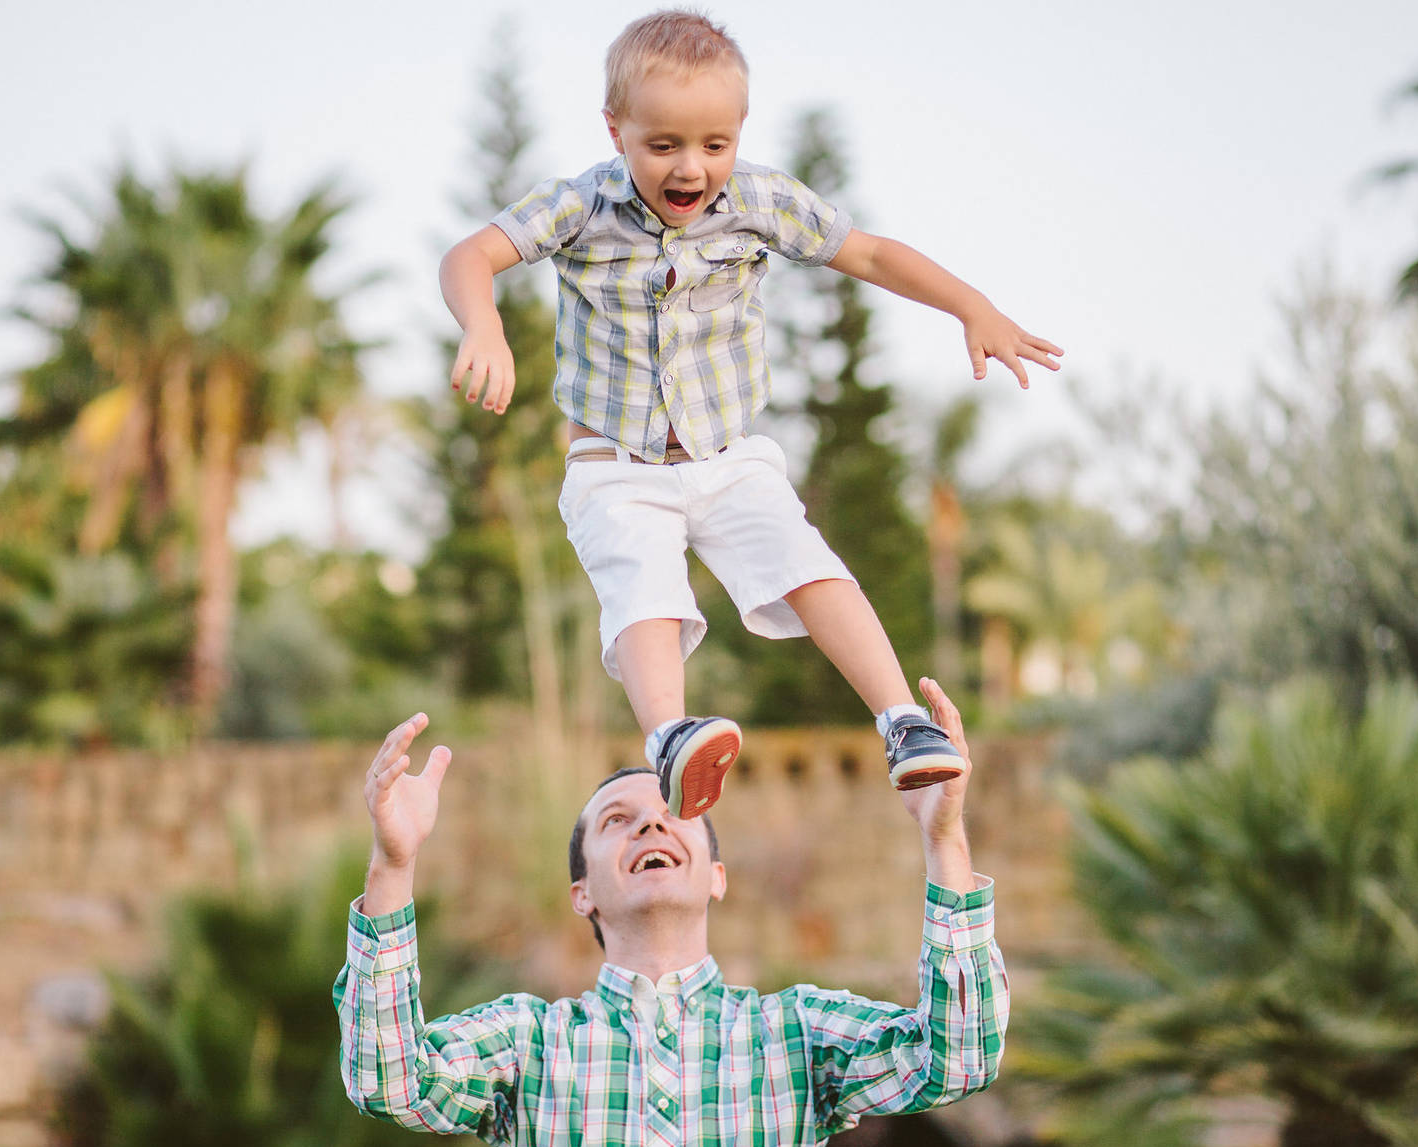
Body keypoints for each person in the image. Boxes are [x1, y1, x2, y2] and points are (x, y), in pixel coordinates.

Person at [438, 9, 1063, 817]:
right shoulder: (582, 206)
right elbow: (471, 254)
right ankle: (669, 738)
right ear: (616, 130)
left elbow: (868, 252)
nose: (691, 167)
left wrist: (970, 306)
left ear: (738, 133)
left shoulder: (761, 199)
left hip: (729, 457)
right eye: (662, 145)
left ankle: (903, 722)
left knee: (806, 563)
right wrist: (483, 324)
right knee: (643, 588)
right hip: (616, 468)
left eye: (713, 145)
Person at [336, 677, 1010, 1147]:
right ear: (584, 894)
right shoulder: (528, 1042)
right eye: (617, 821)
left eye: (674, 812)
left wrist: (943, 837)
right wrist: (393, 865)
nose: (650, 827)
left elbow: (957, 1059)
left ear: (717, 875)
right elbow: (387, 1081)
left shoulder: (798, 1031)